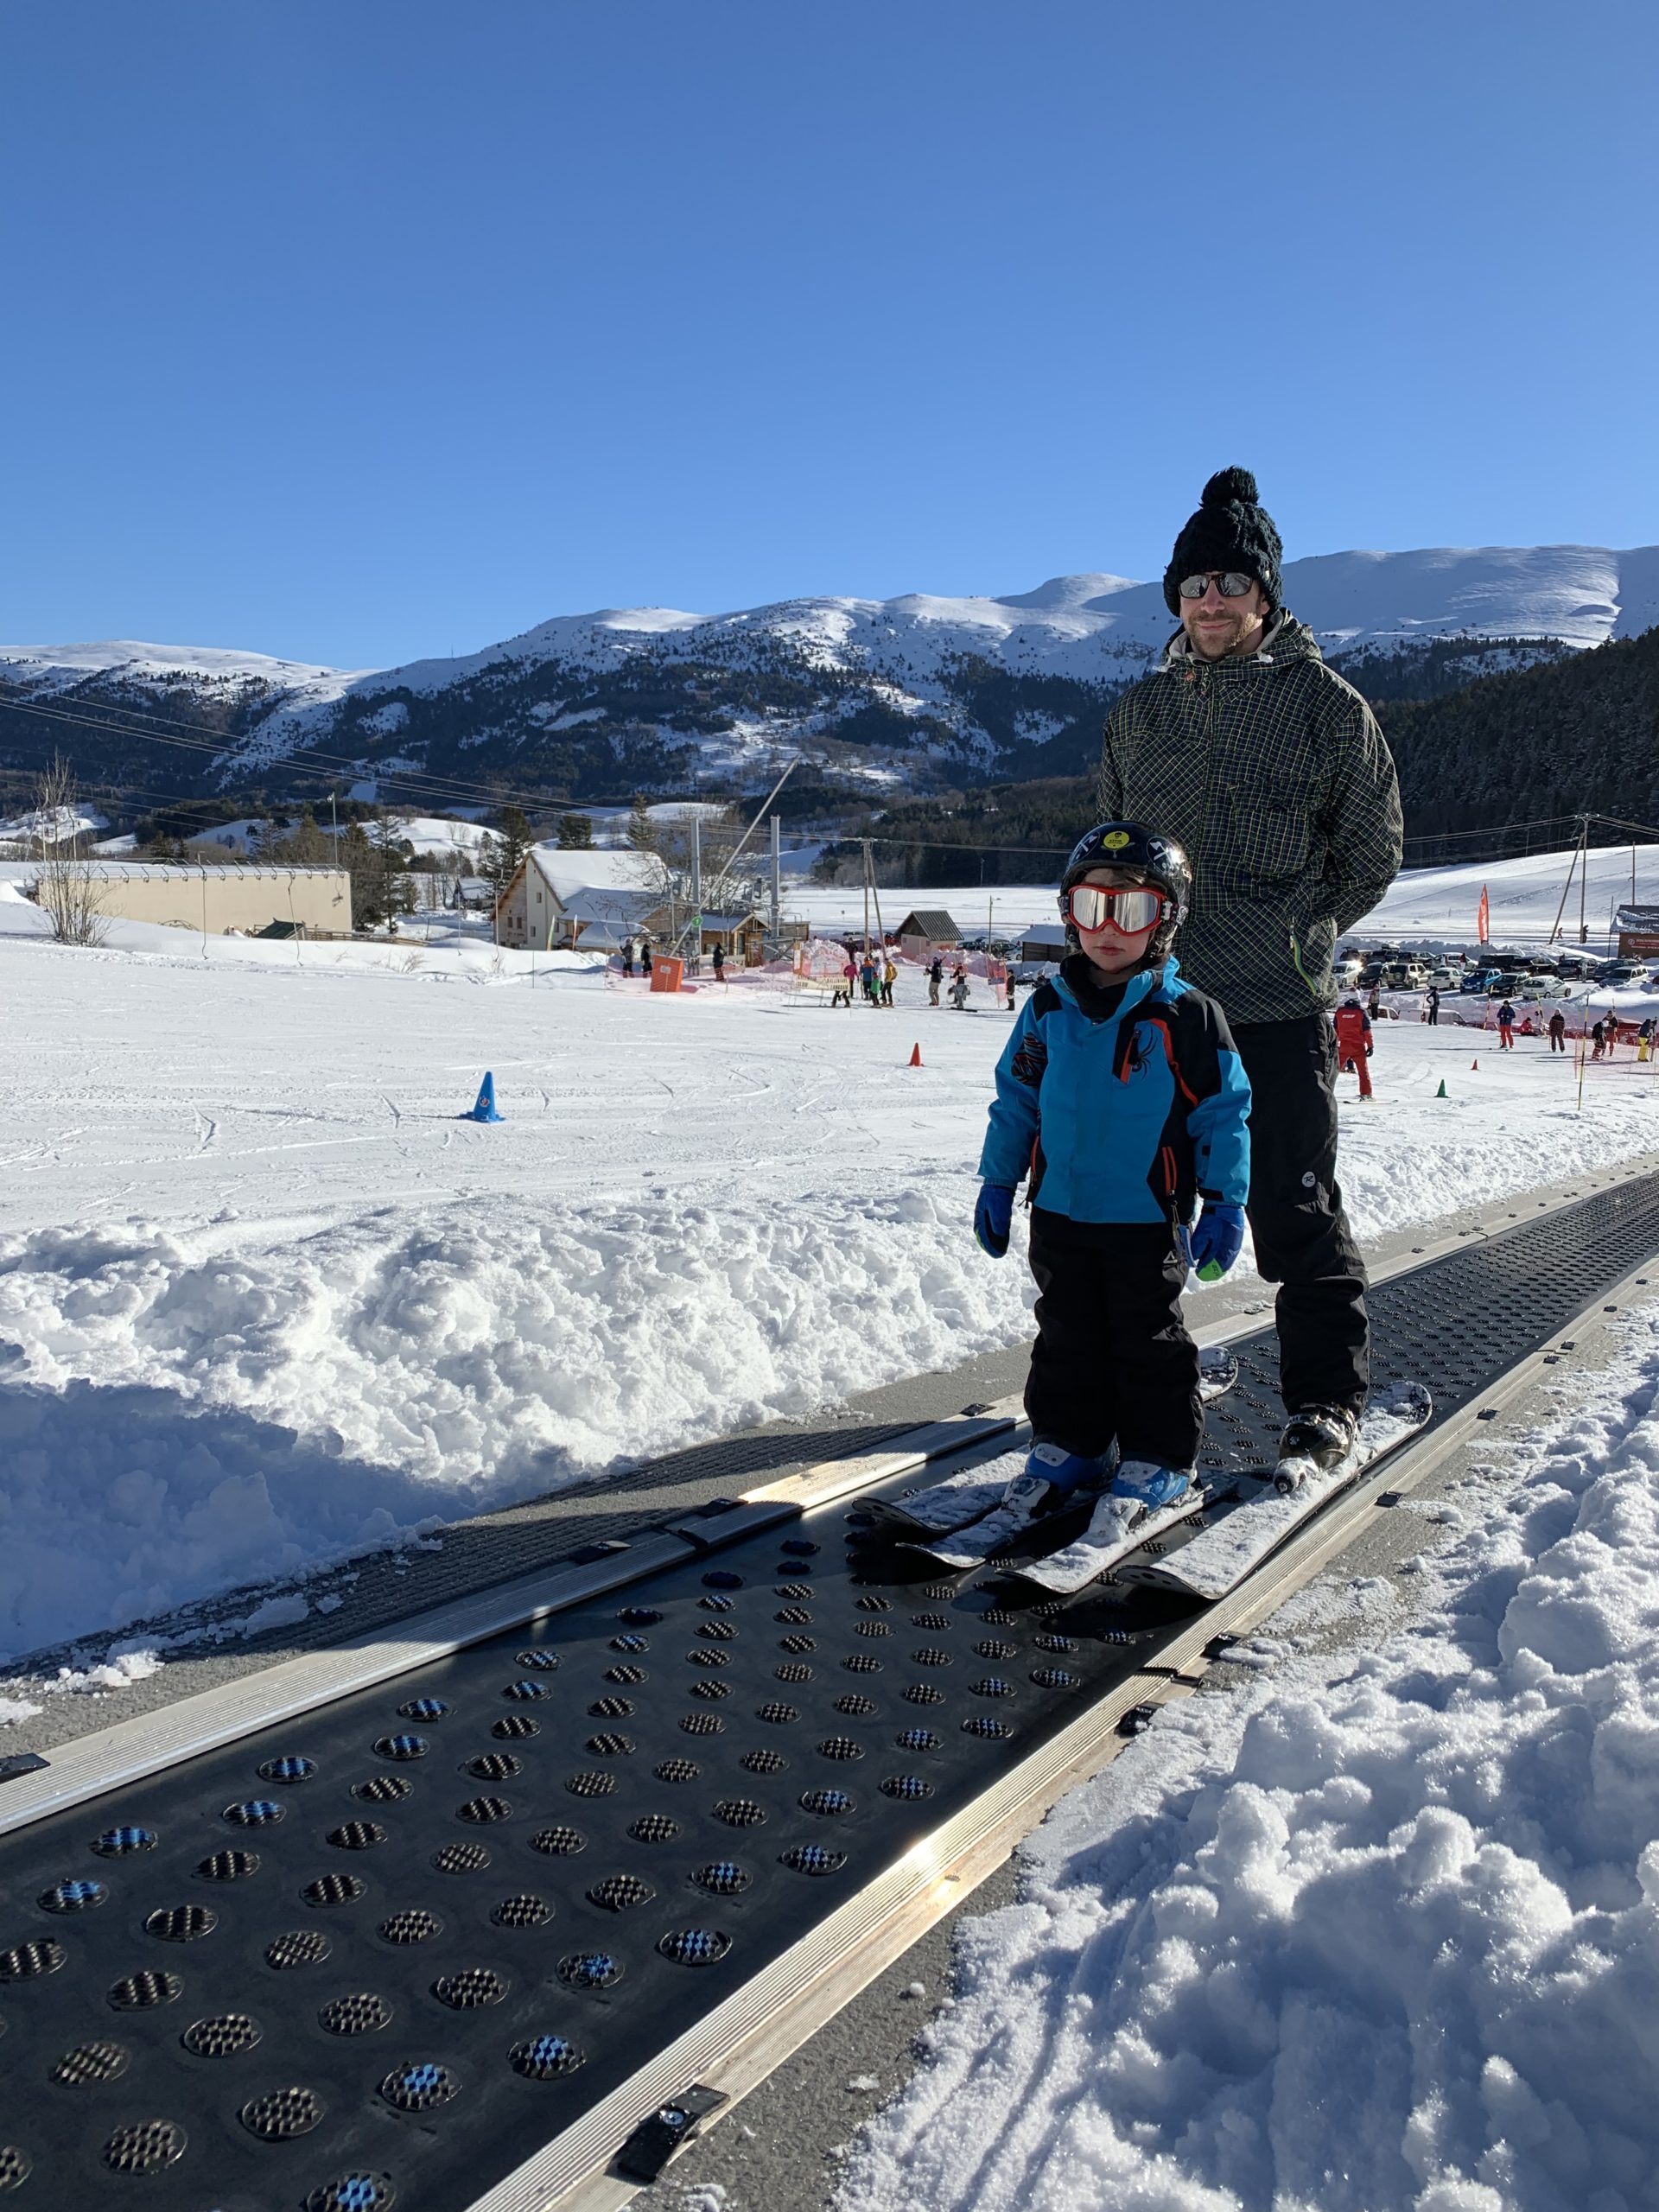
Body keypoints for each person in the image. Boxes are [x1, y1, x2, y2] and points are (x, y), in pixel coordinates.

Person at [1096, 467, 1402, 1478]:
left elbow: (1372, 852)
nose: (1213, 602)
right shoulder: (1139, 713)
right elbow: (1117, 848)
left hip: (1274, 1007)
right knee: (1139, 1209)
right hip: (1163, 1009)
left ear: (1266, 596)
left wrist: (1299, 935)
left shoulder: (1327, 707)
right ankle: (1142, 1387)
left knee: (1291, 1208)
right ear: (1176, 600)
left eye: (1232, 583)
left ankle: (1324, 1401)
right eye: (1195, 586)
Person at [975, 823, 1250, 1513]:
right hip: (1059, 1210)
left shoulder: (1188, 1016)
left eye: (1131, 910)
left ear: (1165, 919)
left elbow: (1222, 1113)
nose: (1107, 928)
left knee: (1144, 1338)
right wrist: (999, 1180)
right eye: (1091, 906)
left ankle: (1161, 1455)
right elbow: (1017, 1100)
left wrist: (1225, 1200)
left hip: (1144, 1215)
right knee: (1066, 1332)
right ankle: (1074, 1442)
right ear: (1070, 913)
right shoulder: (1048, 1008)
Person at [1334, 995, 1373, 1099]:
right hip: (1358, 1047)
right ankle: (1366, 1093)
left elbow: (1335, 1030)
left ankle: (1325, 1091)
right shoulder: (1361, 1012)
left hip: (1343, 1045)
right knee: (1363, 1071)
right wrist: (1370, 1046)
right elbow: (1367, 1031)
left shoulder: (1340, 1011)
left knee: (1334, 1070)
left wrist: (1333, 1044)